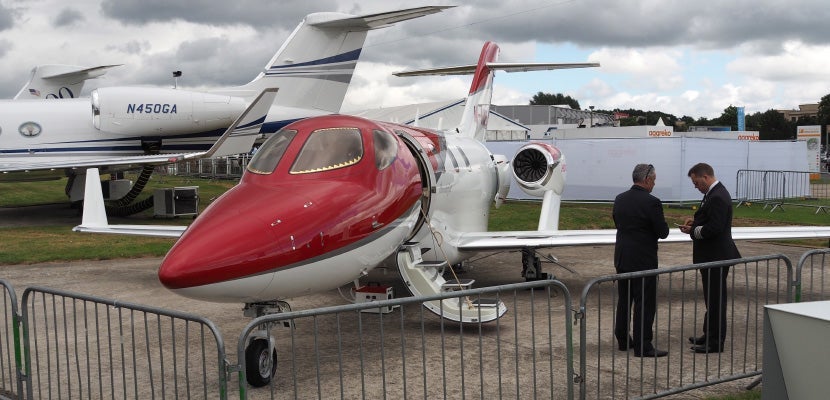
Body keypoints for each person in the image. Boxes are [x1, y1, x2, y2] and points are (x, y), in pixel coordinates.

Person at [679, 163, 741, 354]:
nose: (695, 186)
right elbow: (709, 220)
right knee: (711, 299)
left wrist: (693, 231)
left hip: (716, 256)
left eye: (696, 182)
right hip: (711, 256)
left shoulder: (718, 197)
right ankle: (709, 334)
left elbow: (715, 228)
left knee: (716, 300)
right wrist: (696, 222)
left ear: (705, 177)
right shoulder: (712, 195)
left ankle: (715, 342)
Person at [613, 164, 670, 357]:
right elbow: (663, 232)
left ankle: (622, 338)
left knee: (624, 299)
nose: (654, 184)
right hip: (643, 258)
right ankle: (643, 344)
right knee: (644, 303)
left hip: (622, 256)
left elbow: (618, 223)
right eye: (653, 180)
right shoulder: (652, 202)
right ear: (647, 180)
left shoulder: (620, 199)